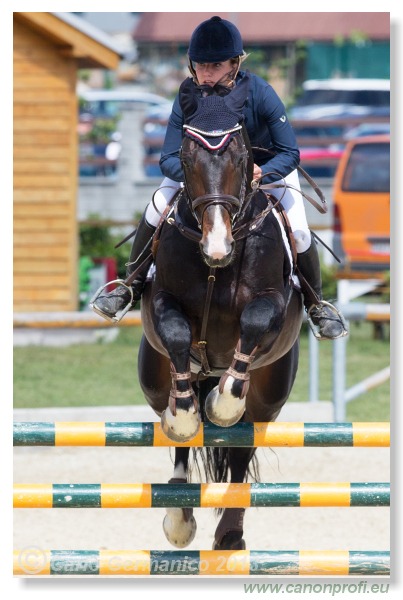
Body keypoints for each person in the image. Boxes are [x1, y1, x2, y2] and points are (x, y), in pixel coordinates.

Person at [92, 15, 346, 340]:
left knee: (299, 231)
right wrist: (199, 176)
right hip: (203, 179)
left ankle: (316, 305)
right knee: (157, 205)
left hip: (265, 172)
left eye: (215, 66)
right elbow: (168, 158)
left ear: (235, 64)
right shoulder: (187, 97)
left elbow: (290, 153)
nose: (206, 74)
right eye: (200, 65)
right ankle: (129, 287)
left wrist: (263, 171)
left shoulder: (261, 93)